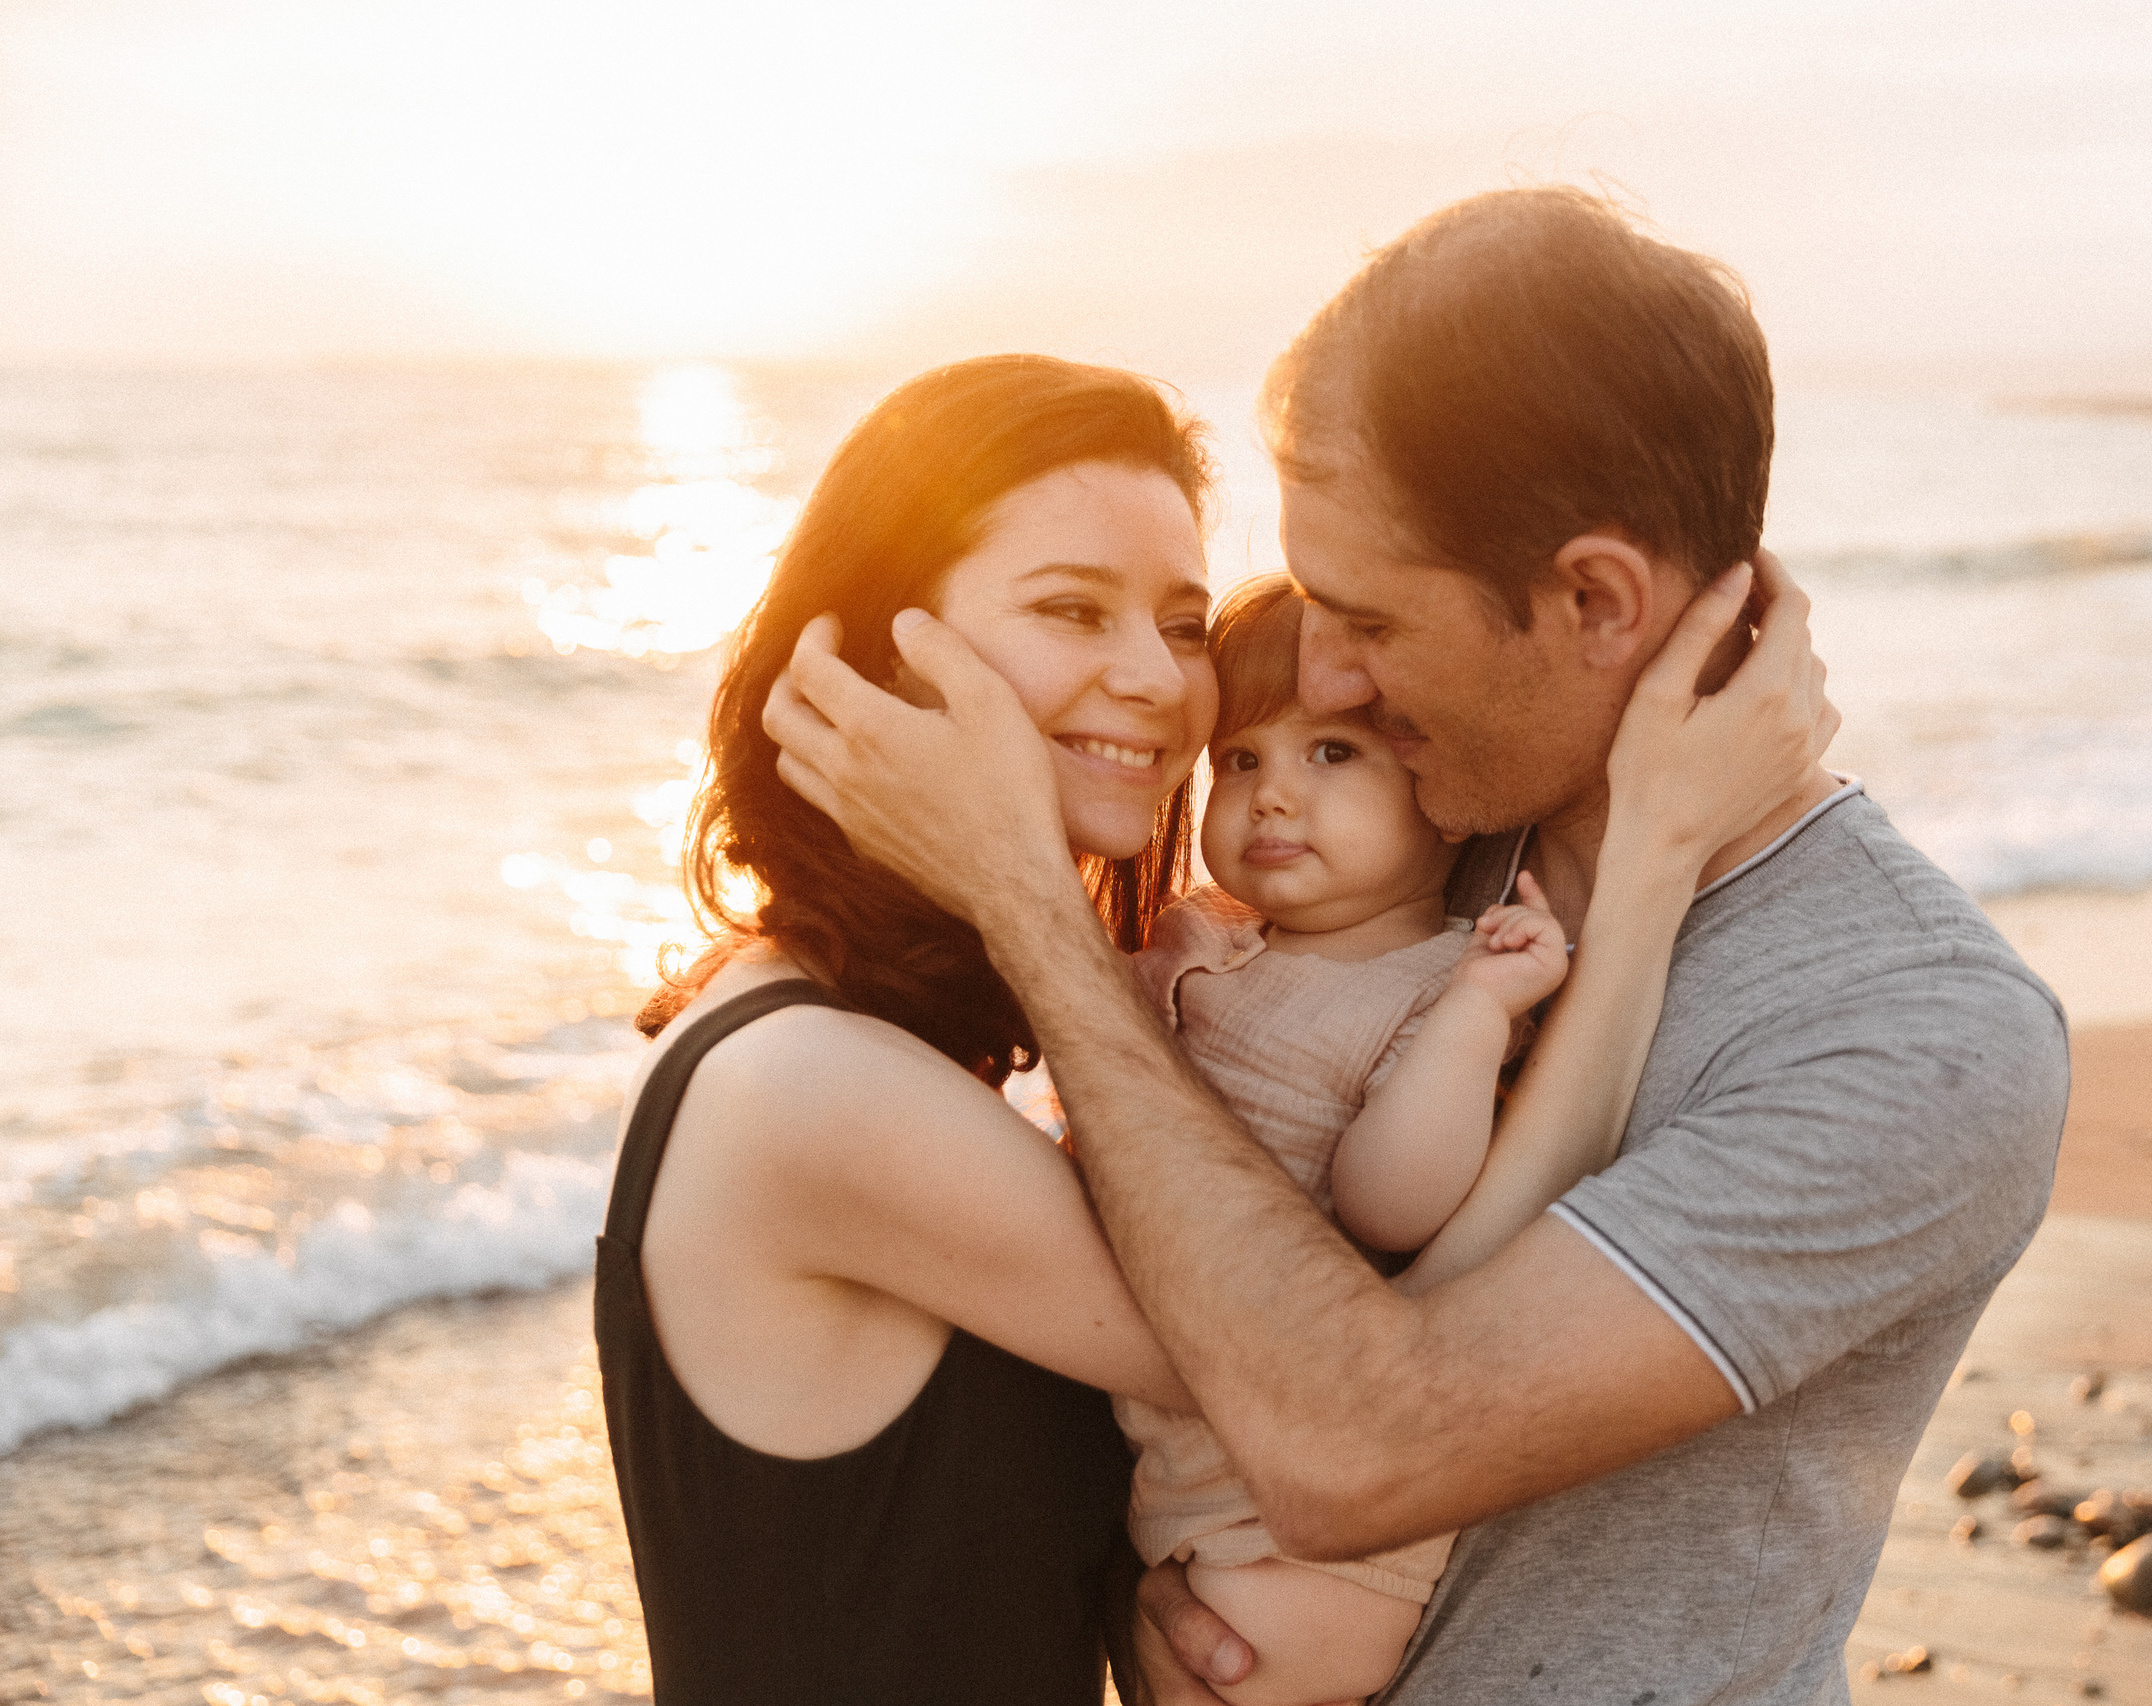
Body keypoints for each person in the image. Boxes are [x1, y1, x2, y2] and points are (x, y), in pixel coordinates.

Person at [764, 185, 2072, 1704]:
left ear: (1593, 598)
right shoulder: (1426, 825)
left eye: (1371, 618)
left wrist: (1034, 915)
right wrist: (1147, 1592)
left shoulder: (1914, 1033)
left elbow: (1351, 1446)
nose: (1319, 673)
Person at [594, 353, 1215, 1704]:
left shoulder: (865, 1036)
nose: (1158, 678)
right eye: (1072, 608)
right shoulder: (814, 1086)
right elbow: (1304, 1371)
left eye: (1186, 622)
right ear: (877, 650)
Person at [1114, 572, 1800, 1705]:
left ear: (1435, 788)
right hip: (1185, 1466)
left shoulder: (1434, 984)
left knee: (1234, 1654)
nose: (1271, 796)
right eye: (1240, 761)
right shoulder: (1199, 935)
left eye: (1331, 755)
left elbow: (1393, 1201)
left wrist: (1481, 1014)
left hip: (1314, 1545)